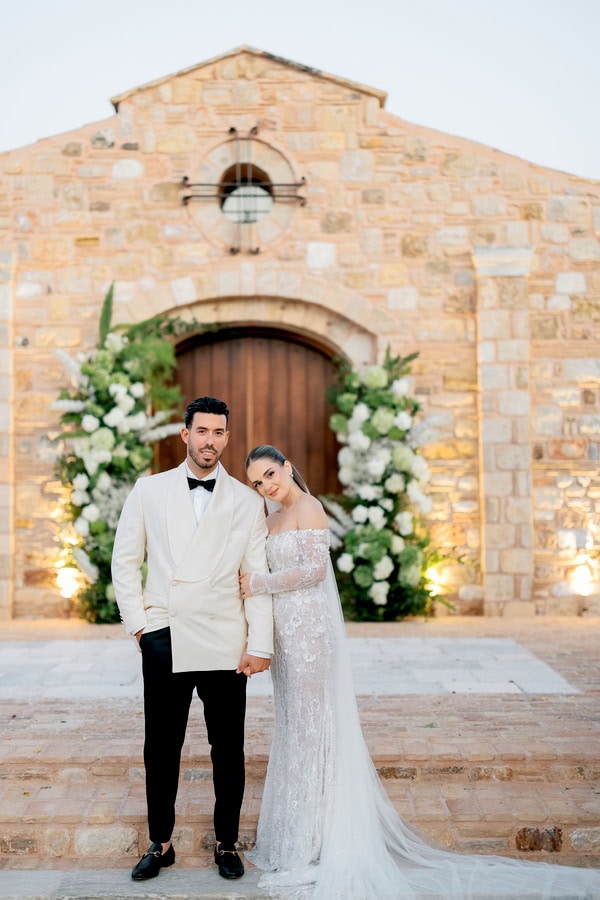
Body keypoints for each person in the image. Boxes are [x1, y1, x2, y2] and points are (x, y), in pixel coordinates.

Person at [239, 444, 600, 899]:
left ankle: (319, 837)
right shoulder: (268, 521)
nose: (267, 485)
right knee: (294, 730)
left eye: (271, 474)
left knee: (315, 732)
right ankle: (295, 831)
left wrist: (260, 582)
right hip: (286, 641)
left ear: (288, 467)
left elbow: (314, 571)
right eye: (258, 482)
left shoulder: (310, 507)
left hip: (311, 636)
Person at [111, 397, 273, 883]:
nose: (210, 441)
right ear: (185, 435)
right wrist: (141, 627)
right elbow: (124, 562)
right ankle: (160, 843)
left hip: (226, 638)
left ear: (227, 437)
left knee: (229, 749)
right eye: (202, 431)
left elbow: (256, 575)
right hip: (167, 635)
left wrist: (260, 644)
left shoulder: (247, 501)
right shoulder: (149, 490)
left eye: (219, 432)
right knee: (160, 747)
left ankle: (227, 843)